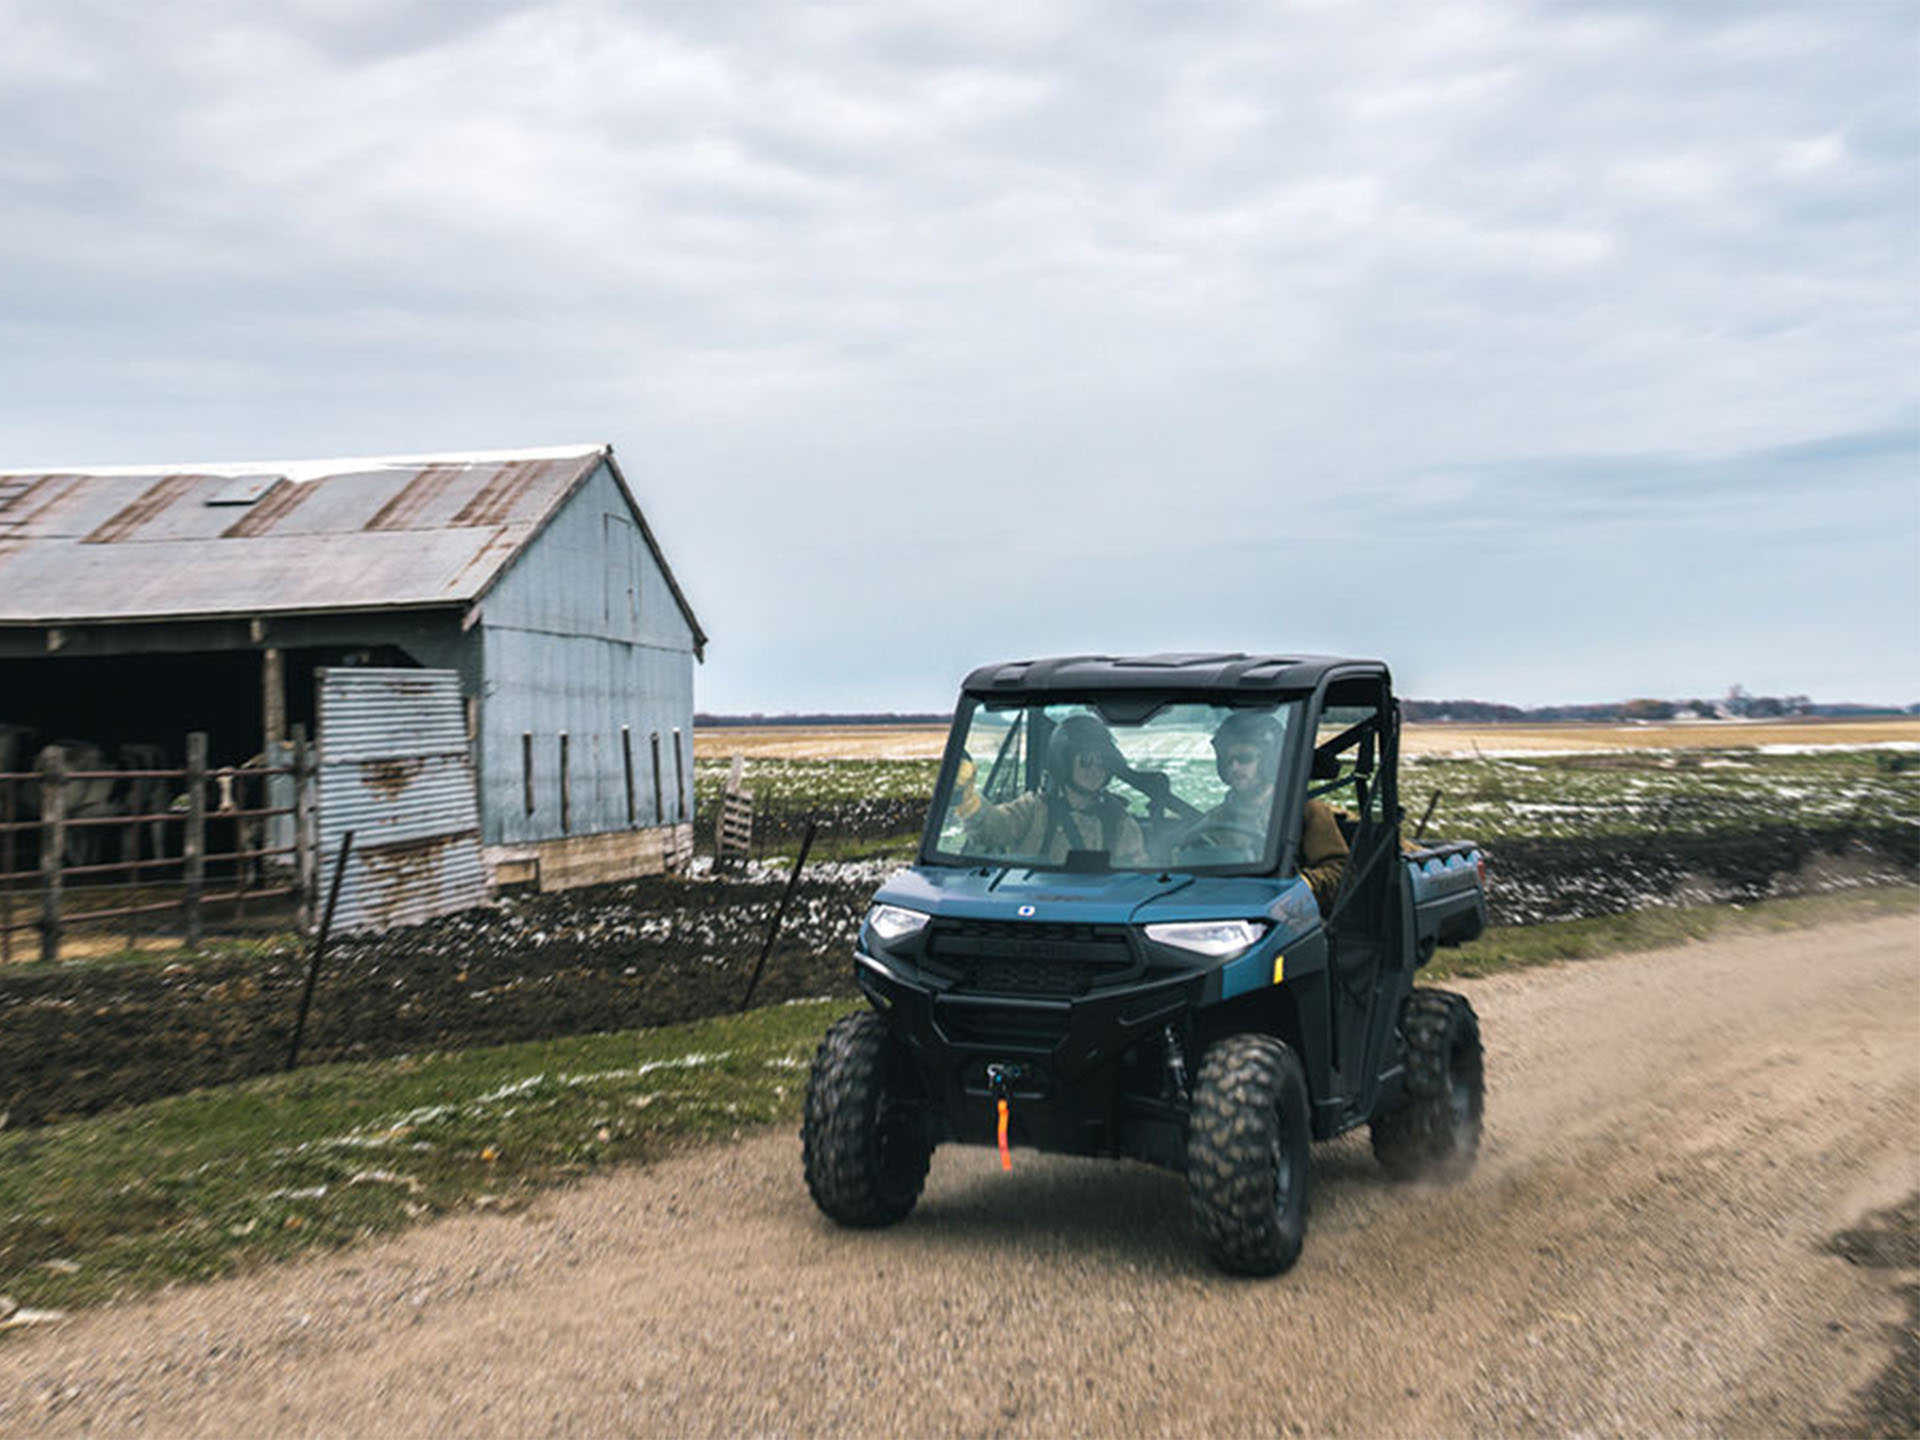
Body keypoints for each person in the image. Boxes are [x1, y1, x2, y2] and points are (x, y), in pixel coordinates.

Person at [1188, 710, 1348, 913]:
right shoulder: (1214, 820)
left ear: (1269, 761)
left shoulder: (1307, 812)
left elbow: (1340, 873)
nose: (1234, 768)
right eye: (1228, 761)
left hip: (1295, 920)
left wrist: (1301, 888)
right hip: (1230, 915)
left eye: (1244, 759)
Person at [956, 713, 1148, 866]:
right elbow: (992, 828)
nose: (1095, 771)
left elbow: (1131, 879)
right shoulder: (1034, 810)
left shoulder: (1119, 822)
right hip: (1034, 906)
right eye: (1086, 761)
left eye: (1103, 763)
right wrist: (968, 800)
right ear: (1063, 762)